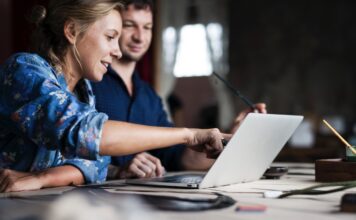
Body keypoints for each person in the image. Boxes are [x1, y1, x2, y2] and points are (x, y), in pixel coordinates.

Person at [0, 0, 228, 193]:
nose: (117, 51)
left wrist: (43, 179)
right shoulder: (24, 71)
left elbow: (96, 164)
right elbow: (89, 134)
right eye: (110, 37)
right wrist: (189, 134)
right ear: (71, 31)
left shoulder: (84, 92)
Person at [91, 0, 266, 179]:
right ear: (115, 28)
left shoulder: (149, 96)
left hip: (141, 201)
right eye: (130, 25)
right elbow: (72, 148)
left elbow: (177, 157)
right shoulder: (90, 82)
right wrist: (115, 170)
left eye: (147, 27)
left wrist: (232, 139)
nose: (140, 37)